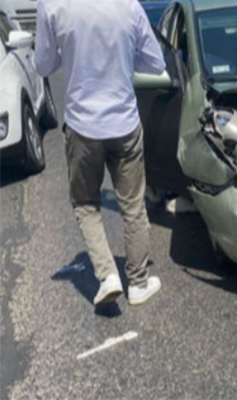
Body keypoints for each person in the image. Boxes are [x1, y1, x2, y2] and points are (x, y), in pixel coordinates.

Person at [34, 0, 166, 307]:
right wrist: (123, 58)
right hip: (125, 124)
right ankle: (138, 282)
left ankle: (107, 276)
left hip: (83, 128)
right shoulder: (129, 5)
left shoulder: (51, 5)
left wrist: (70, 52)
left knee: (85, 203)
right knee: (133, 205)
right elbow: (156, 63)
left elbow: (43, 65)